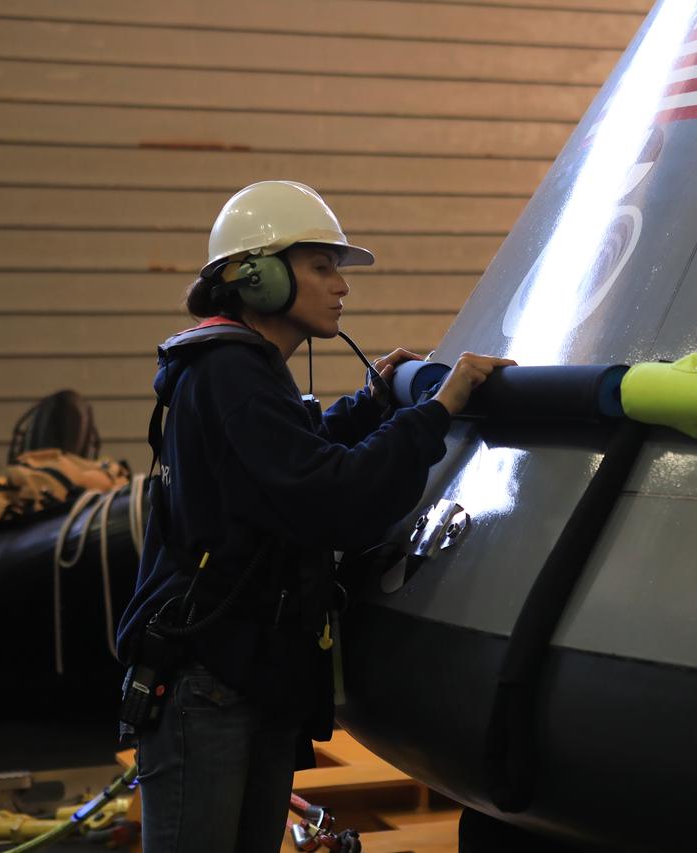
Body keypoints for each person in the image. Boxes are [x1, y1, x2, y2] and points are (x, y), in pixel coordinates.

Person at [115, 180, 513, 852]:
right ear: (258, 277)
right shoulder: (229, 374)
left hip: (247, 671)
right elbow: (328, 494)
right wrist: (435, 409)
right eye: (321, 266)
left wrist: (371, 401)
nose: (341, 287)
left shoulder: (245, 372)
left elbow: (296, 449)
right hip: (209, 676)